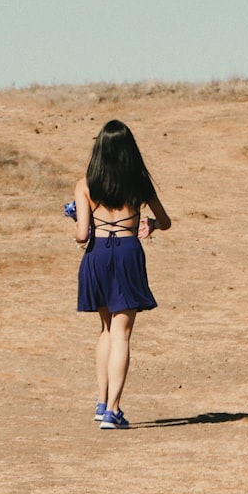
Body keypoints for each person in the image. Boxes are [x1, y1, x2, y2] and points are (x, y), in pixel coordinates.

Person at [73, 119, 171, 430]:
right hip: (128, 252)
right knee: (122, 333)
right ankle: (114, 410)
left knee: (105, 330)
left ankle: (102, 404)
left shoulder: (86, 184)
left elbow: (80, 235)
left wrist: (78, 215)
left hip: (98, 254)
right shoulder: (138, 182)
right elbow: (165, 221)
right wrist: (151, 225)